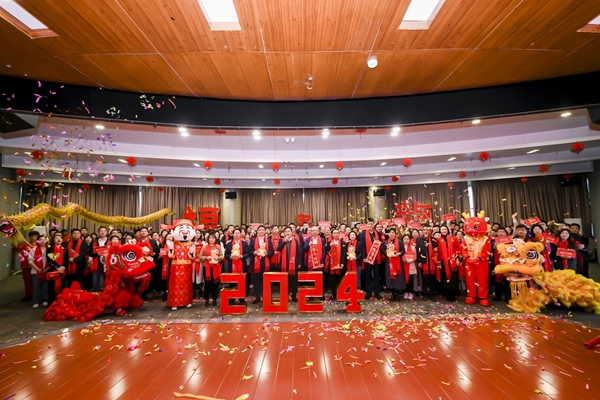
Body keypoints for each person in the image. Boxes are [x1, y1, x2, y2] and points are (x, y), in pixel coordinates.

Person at [357, 218, 383, 300]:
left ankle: (377, 292)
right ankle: (368, 292)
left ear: (374, 225)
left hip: (376, 258)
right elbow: (362, 247)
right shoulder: (362, 235)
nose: (370, 225)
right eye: (369, 224)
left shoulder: (378, 234)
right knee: (367, 276)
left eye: (371, 224)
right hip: (367, 258)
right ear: (366, 225)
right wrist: (364, 257)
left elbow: (381, 245)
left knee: (376, 276)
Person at [249, 225, 274, 304]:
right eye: (260, 230)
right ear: (257, 231)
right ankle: (257, 297)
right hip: (256, 262)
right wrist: (255, 252)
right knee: (256, 281)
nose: (261, 231)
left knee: (265, 281)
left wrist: (267, 253)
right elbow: (249, 251)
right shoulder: (253, 240)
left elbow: (272, 251)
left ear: (265, 231)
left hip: (265, 262)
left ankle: (265, 297)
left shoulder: (268, 240)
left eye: (263, 230)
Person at [277, 226, 303, 302]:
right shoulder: (281, 241)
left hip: (293, 264)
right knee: (285, 281)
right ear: (283, 233)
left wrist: (299, 263)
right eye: (286, 231)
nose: (287, 233)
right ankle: (285, 295)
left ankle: (294, 296)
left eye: (289, 231)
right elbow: (278, 249)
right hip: (284, 264)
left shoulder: (295, 241)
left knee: (294, 281)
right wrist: (285, 241)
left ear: (292, 232)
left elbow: (299, 253)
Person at [436, 225, 460, 302]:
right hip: (444, 262)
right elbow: (438, 252)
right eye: (442, 229)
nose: (443, 231)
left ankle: (453, 294)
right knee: (445, 277)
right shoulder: (439, 240)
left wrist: (457, 258)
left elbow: (458, 248)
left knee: (453, 278)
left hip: (452, 261)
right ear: (440, 231)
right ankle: (447, 294)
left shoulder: (453, 238)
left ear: (447, 230)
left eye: (445, 229)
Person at [13, 230, 39, 301]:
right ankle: (28, 295)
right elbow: (16, 249)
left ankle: (35, 295)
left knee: (36, 282)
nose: (33, 237)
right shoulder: (25, 244)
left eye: (35, 236)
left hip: (36, 266)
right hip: (26, 266)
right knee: (27, 281)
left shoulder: (39, 245)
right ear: (29, 237)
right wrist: (16, 242)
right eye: (32, 236)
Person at [382, 228, 406, 301]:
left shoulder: (399, 242)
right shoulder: (386, 242)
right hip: (389, 262)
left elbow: (403, 250)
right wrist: (387, 253)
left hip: (398, 261)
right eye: (390, 233)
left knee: (398, 277)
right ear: (388, 234)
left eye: (393, 232)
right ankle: (392, 293)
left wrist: (399, 253)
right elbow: (382, 250)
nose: (391, 234)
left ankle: (397, 293)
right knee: (390, 277)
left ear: (395, 234)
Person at [199, 234, 223, 307]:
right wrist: (206, 258)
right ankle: (206, 299)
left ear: (215, 239)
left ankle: (214, 299)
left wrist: (218, 258)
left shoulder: (218, 247)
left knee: (215, 283)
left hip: (216, 267)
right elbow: (200, 256)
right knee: (207, 284)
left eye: (213, 238)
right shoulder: (204, 247)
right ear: (208, 239)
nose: (211, 240)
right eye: (210, 238)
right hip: (207, 267)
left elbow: (221, 256)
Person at [303, 226, 326, 298]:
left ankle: (320, 294)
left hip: (319, 262)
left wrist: (322, 262)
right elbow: (304, 249)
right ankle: (311, 295)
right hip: (310, 262)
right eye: (313, 230)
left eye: (316, 230)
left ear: (318, 232)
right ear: (311, 232)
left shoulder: (322, 239)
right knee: (310, 279)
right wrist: (308, 245)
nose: (315, 232)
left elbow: (324, 251)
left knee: (319, 279)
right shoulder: (308, 239)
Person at [416, 226, 437, 301]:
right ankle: (425, 294)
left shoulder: (434, 240)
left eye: (427, 230)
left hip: (432, 263)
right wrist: (419, 261)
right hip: (423, 262)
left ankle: (432, 294)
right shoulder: (419, 239)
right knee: (424, 279)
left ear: (430, 231)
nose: (425, 231)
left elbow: (437, 251)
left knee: (432, 279)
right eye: (424, 230)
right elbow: (417, 251)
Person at [46, 233, 67, 304]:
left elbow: (66, 259)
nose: (58, 239)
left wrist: (63, 267)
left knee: (62, 287)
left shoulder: (65, 249)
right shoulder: (50, 249)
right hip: (53, 270)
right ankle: (52, 303)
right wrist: (58, 267)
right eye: (56, 238)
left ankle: (61, 302)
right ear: (53, 240)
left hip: (62, 271)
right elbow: (50, 260)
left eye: (60, 238)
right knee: (51, 288)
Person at [28, 235, 48, 308]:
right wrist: (38, 269)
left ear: (46, 241)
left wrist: (46, 269)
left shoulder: (49, 249)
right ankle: (36, 301)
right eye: (40, 240)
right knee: (36, 286)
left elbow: (52, 260)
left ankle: (44, 300)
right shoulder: (34, 249)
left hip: (46, 270)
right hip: (35, 271)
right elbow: (30, 261)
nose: (42, 241)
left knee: (45, 286)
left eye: (44, 240)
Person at [326, 229, 347, 300]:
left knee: (340, 280)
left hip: (340, 265)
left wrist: (342, 263)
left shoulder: (343, 243)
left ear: (339, 234)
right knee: (332, 280)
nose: (336, 234)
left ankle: (340, 294)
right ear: (332, 234)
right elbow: (327, 253)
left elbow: (344, 254)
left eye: (337, 233)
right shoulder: (329, 243)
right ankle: (333, 294)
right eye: (334, 233)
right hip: (332, 265)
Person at [89, 226, 109, 292]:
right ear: (98, 232)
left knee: (107, 280)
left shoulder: (110, 241)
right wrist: (97, 254)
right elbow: (89, 253)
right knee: (95, 280)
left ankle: (106, 294)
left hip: (107, 264)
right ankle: (95, 294)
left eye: (104, 231)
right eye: (101, 231)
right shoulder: (94, 242)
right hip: (96, 263)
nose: (102, 232)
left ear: (106, 232)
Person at [401, 234, 420, 300]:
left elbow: (415, 255)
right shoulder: (401, 247)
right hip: (403, 264)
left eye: (407, 239)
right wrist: (403, 259)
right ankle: (406, 292)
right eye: (405, 239)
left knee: (411, 279)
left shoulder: (412, 247)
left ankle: (411, 292)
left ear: (409, 240)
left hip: (411, 264)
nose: (406, 240)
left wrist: (409, 260)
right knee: (404, 279)